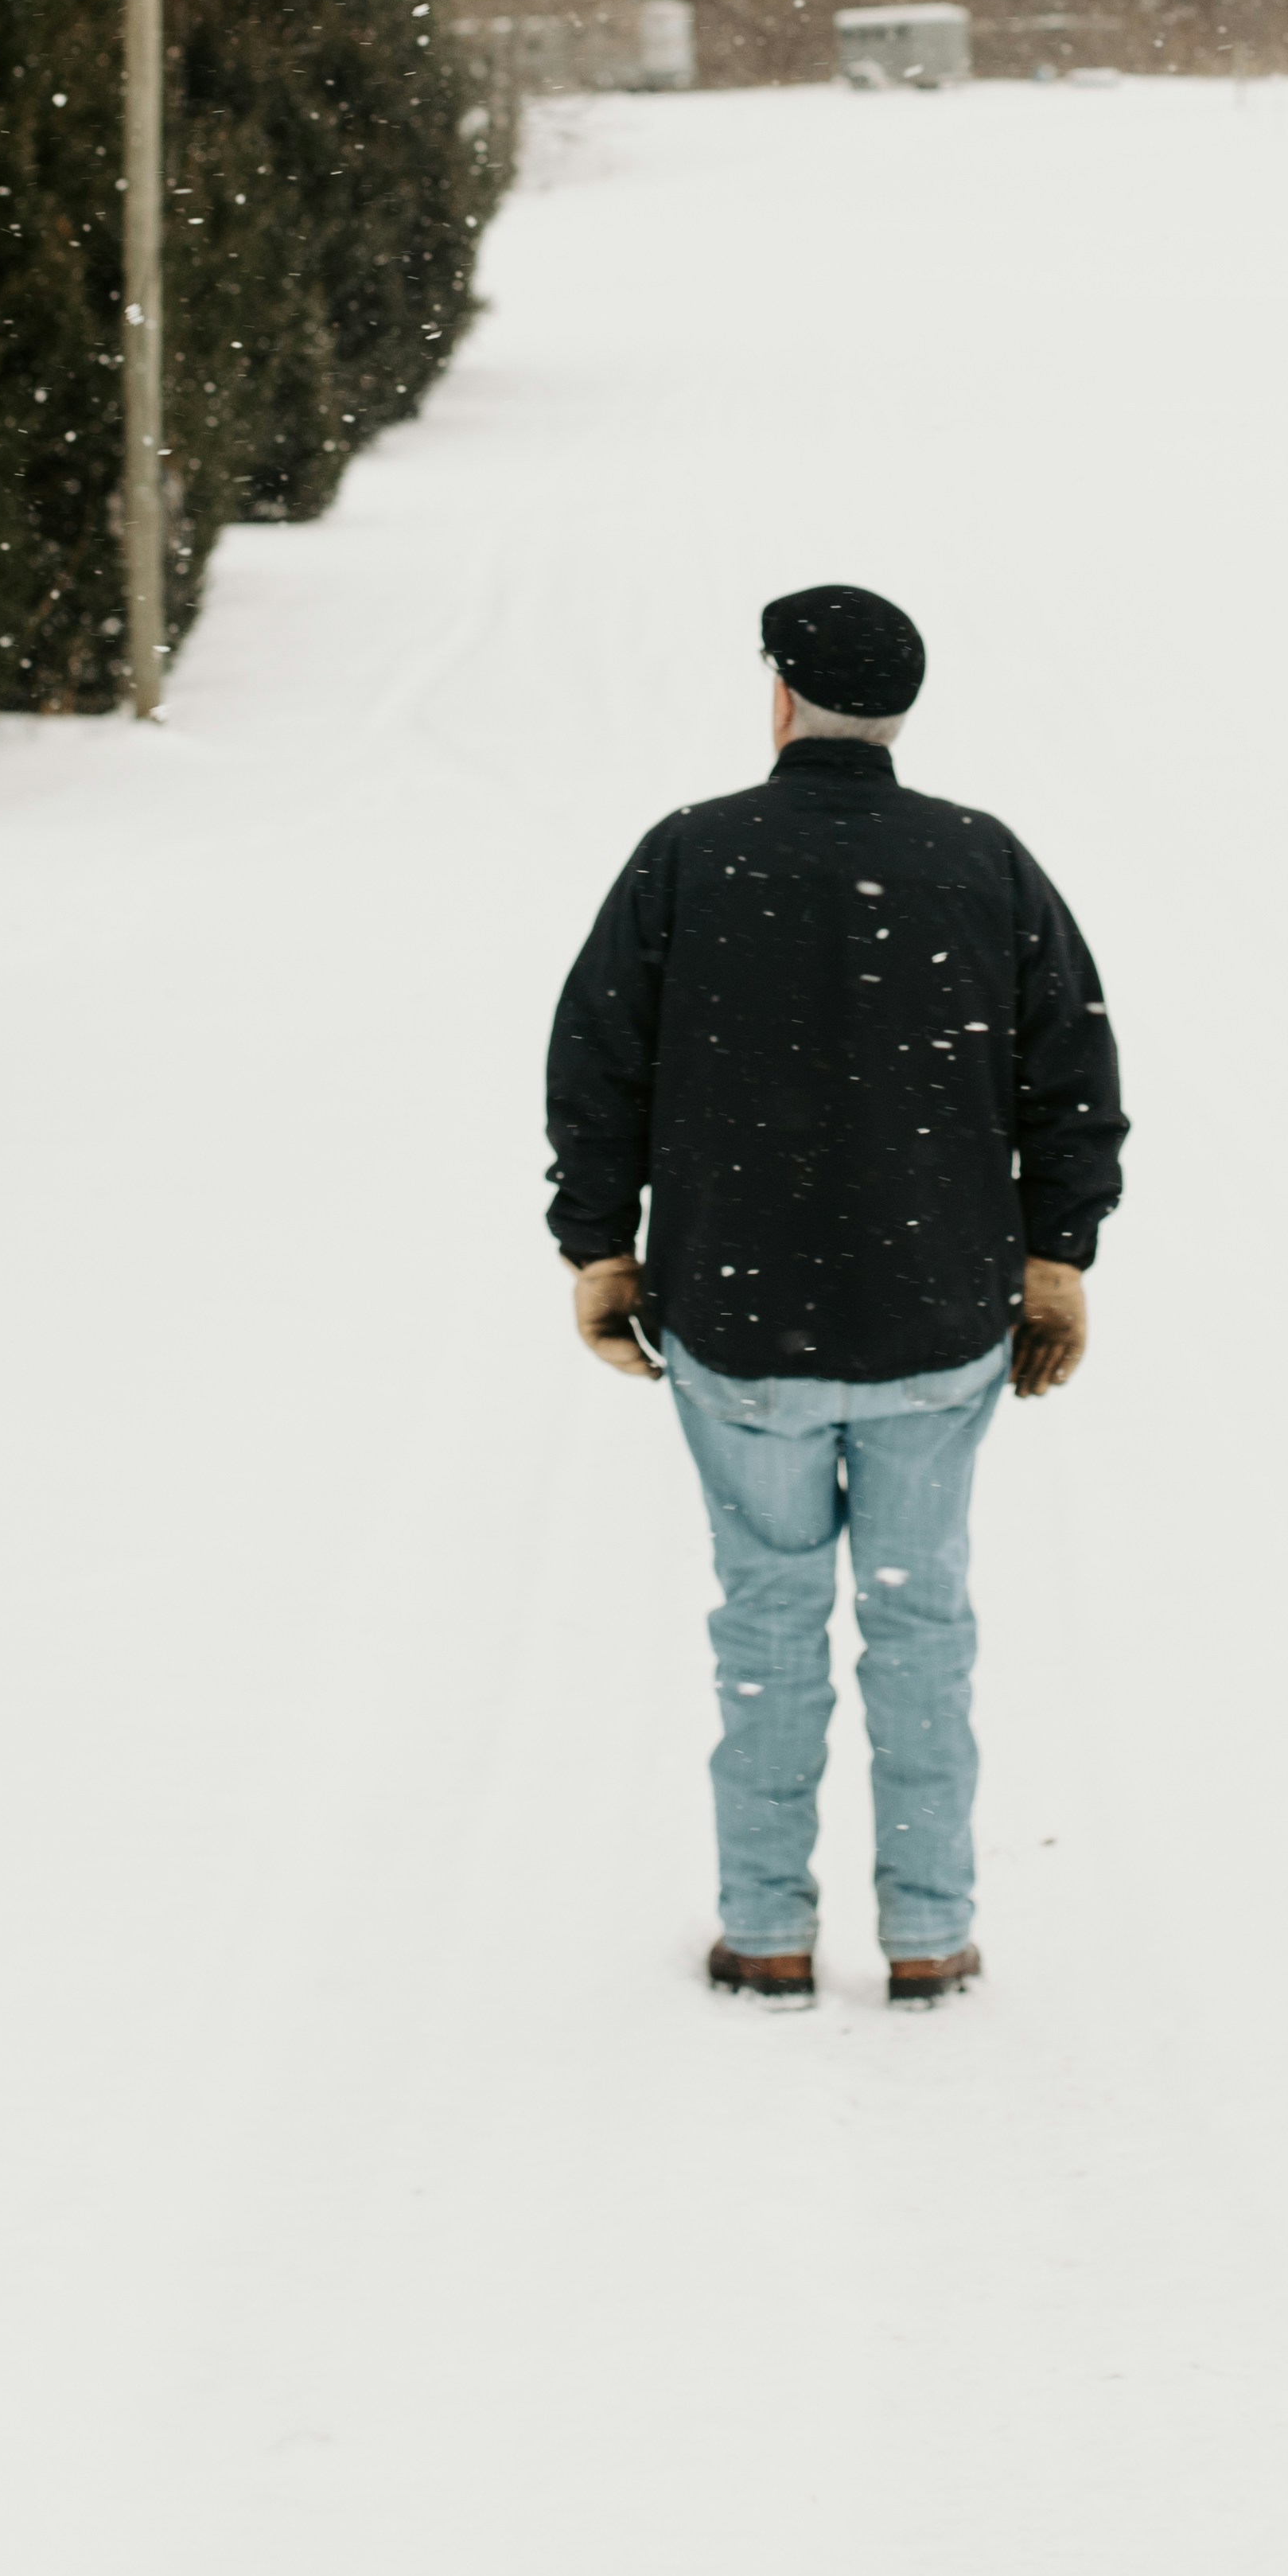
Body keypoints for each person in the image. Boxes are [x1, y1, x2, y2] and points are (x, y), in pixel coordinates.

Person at [544, 583, 1127, 2013]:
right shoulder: (982, 863)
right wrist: (1058, 1257)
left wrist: (597, 1245)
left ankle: (768, 1931)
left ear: (781, 695)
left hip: (740, 1329)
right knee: (923, 1620)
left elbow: (596, 1063)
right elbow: (1074, 1076)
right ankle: (928, 1934)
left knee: (766, 1617)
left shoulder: (692, 858)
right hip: (937, 1323)